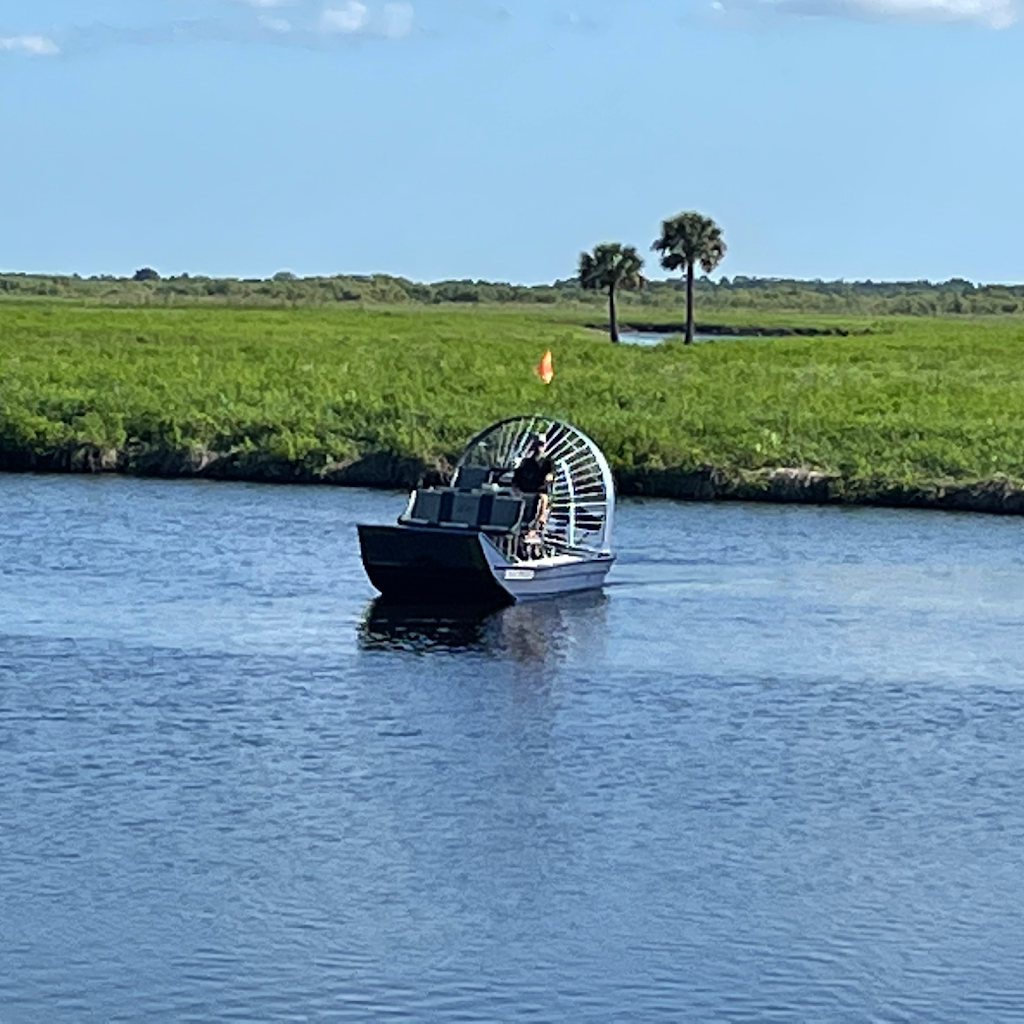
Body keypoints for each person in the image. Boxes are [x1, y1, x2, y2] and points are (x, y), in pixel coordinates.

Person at [511, 436, 555, 540]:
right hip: (524, 491)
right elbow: (517, 475)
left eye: (541, 445)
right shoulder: (526, 462)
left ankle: (535, 526)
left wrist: (550, 475)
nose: (539, 447)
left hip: (539, 491)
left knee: (542, 499)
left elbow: (552, 473)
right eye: (537, 445)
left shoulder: (548, 462)